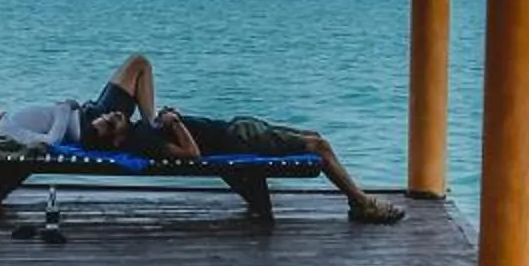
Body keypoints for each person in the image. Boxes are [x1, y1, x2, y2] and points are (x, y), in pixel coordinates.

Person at [137, 107, 405, 224]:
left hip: (238, 131)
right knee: (319, 147)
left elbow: (141, 67)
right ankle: (361, 203)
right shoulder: (143, 137)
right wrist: (174, 121)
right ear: (114, 135)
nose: (112, 114)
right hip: (239, 137)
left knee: (314, 136)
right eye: (108, 121)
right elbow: (192, 153)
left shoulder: (142, 130)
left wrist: (165, 117)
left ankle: (358, 201)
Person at [0, 53, 158, 153]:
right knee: (139, 63)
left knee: (138, 66)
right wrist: (63, 109)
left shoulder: (5, 121)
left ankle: (152, 124)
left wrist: (67, 108)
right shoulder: (5, 130)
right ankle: (153, 125)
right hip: (90, 122)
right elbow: (51, 141)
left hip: (87, 113)